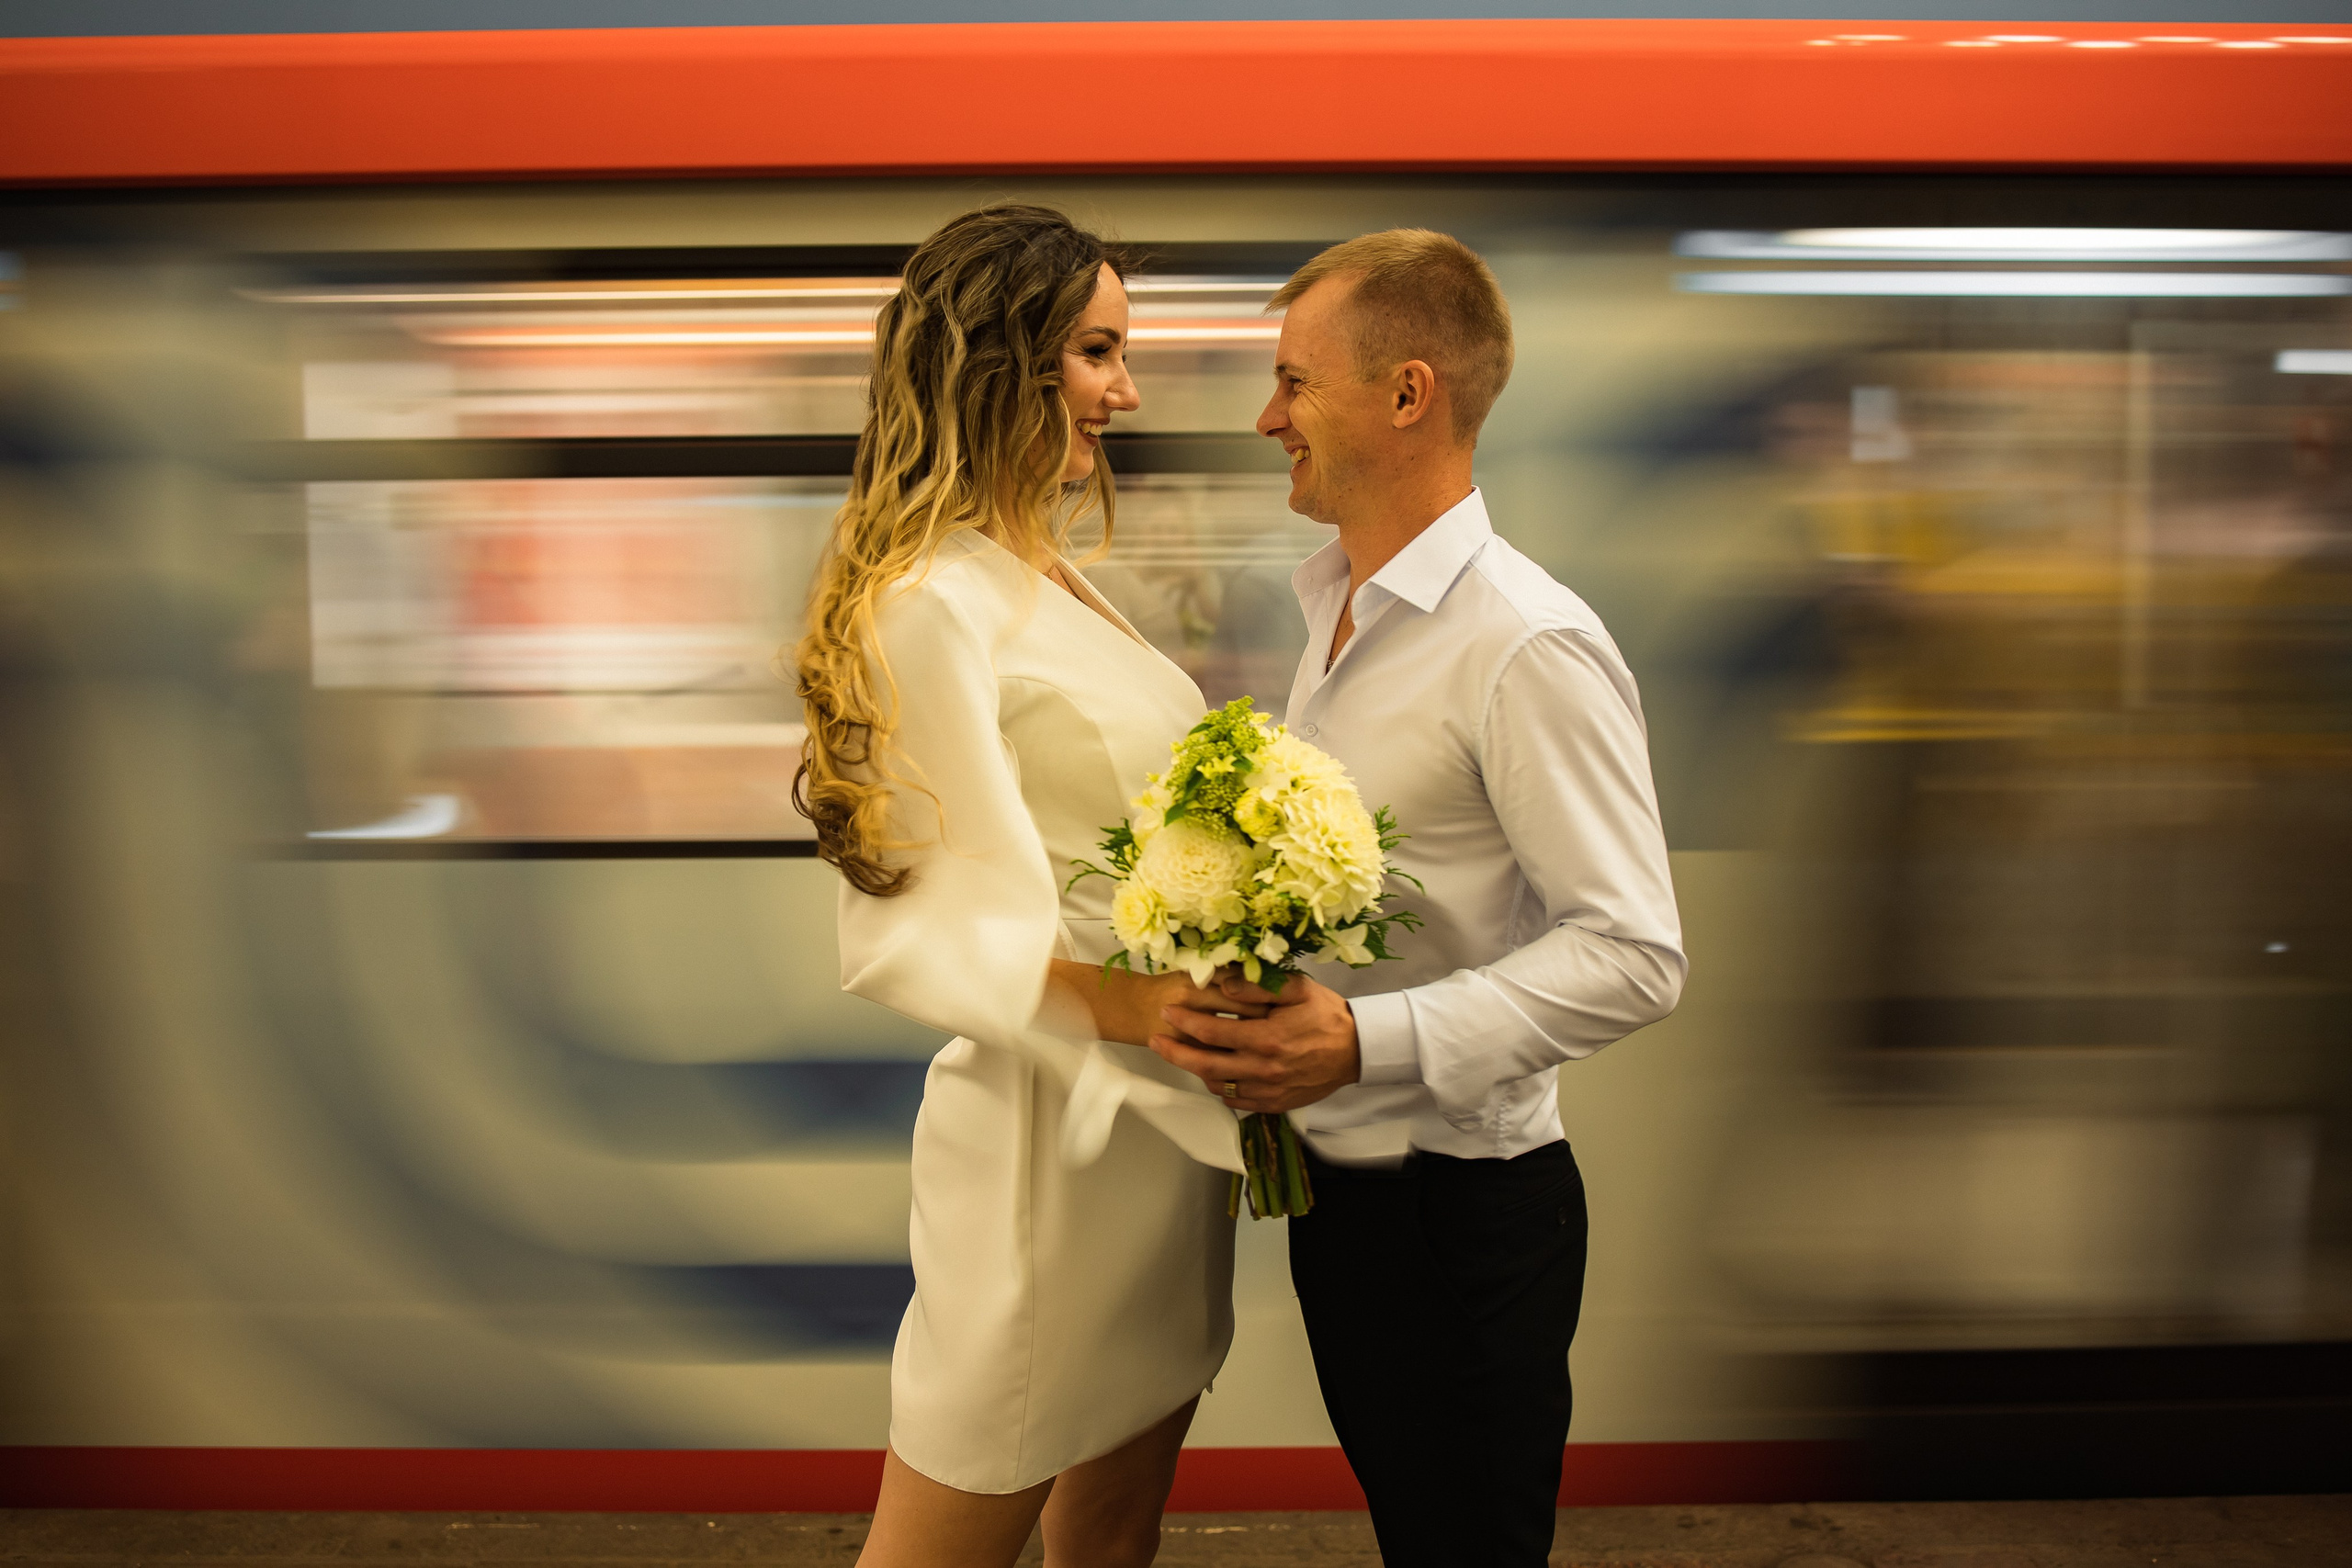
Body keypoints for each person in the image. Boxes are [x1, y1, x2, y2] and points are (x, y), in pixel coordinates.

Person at [1147, 231, 1687, 1567]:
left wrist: (1361, 1041)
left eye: (1294, 383)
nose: (1268, 418)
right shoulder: (1340, 612)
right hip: (1356, 1200)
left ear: (1408, 394)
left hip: (1463, 1214)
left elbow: (1634, 953)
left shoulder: (1524, 642)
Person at [794, 204, 1256, 1568]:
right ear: (1006, 359)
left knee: (1111, 1538)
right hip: (1047, 1156)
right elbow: (911, 931)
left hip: (1154, 1143)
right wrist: (1156, 1005)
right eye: (1099, 352)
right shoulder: (929, 602)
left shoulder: (1043, 571)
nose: (1128, 388)